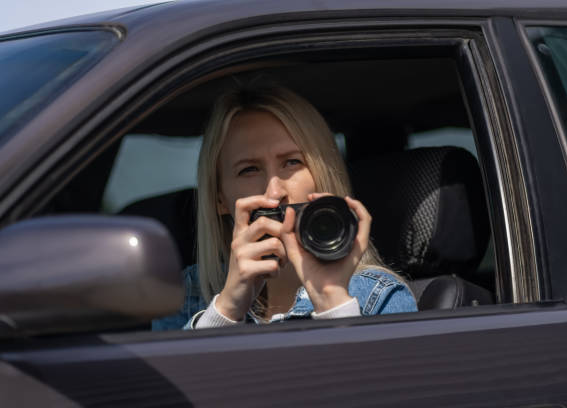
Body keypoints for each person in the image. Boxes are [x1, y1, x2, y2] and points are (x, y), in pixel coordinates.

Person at [152, 84, 417, 330]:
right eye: (249, 169)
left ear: (322, 176)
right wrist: (226, 310)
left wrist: (332, 301)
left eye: (292, 162)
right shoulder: (184, 296)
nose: (276, 191)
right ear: (218, 199)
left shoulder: (378, 296)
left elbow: (382, 381)